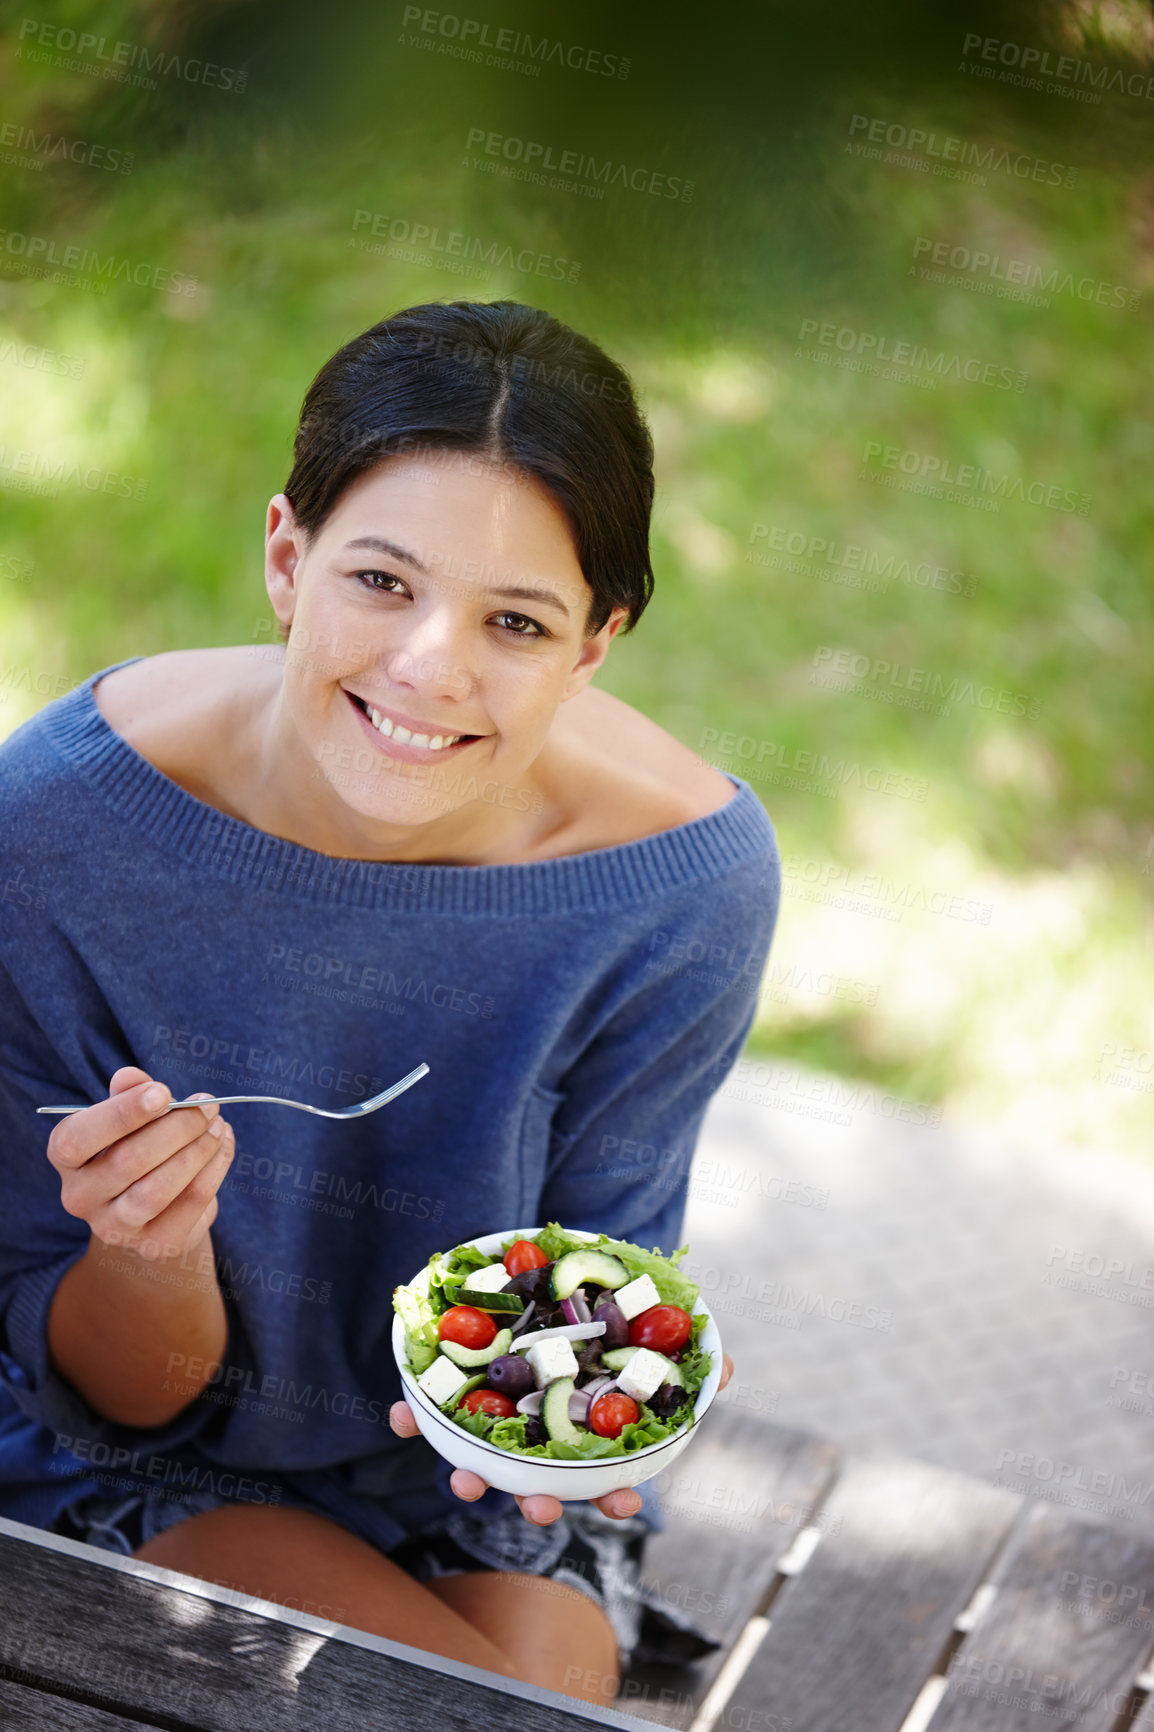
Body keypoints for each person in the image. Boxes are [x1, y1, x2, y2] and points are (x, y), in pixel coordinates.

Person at [0, 299, 780, 1704]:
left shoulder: (678, 886)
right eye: (380, 581)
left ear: (595, 641)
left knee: (515, 1698)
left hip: (455, 1472)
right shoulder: (60, 830)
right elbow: (101, 1387)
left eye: (518, 620)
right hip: (133, 1448)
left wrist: (580, 1417)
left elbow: (588, 1276)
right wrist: (152, 1250)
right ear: (285, 558)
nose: (432, 664)